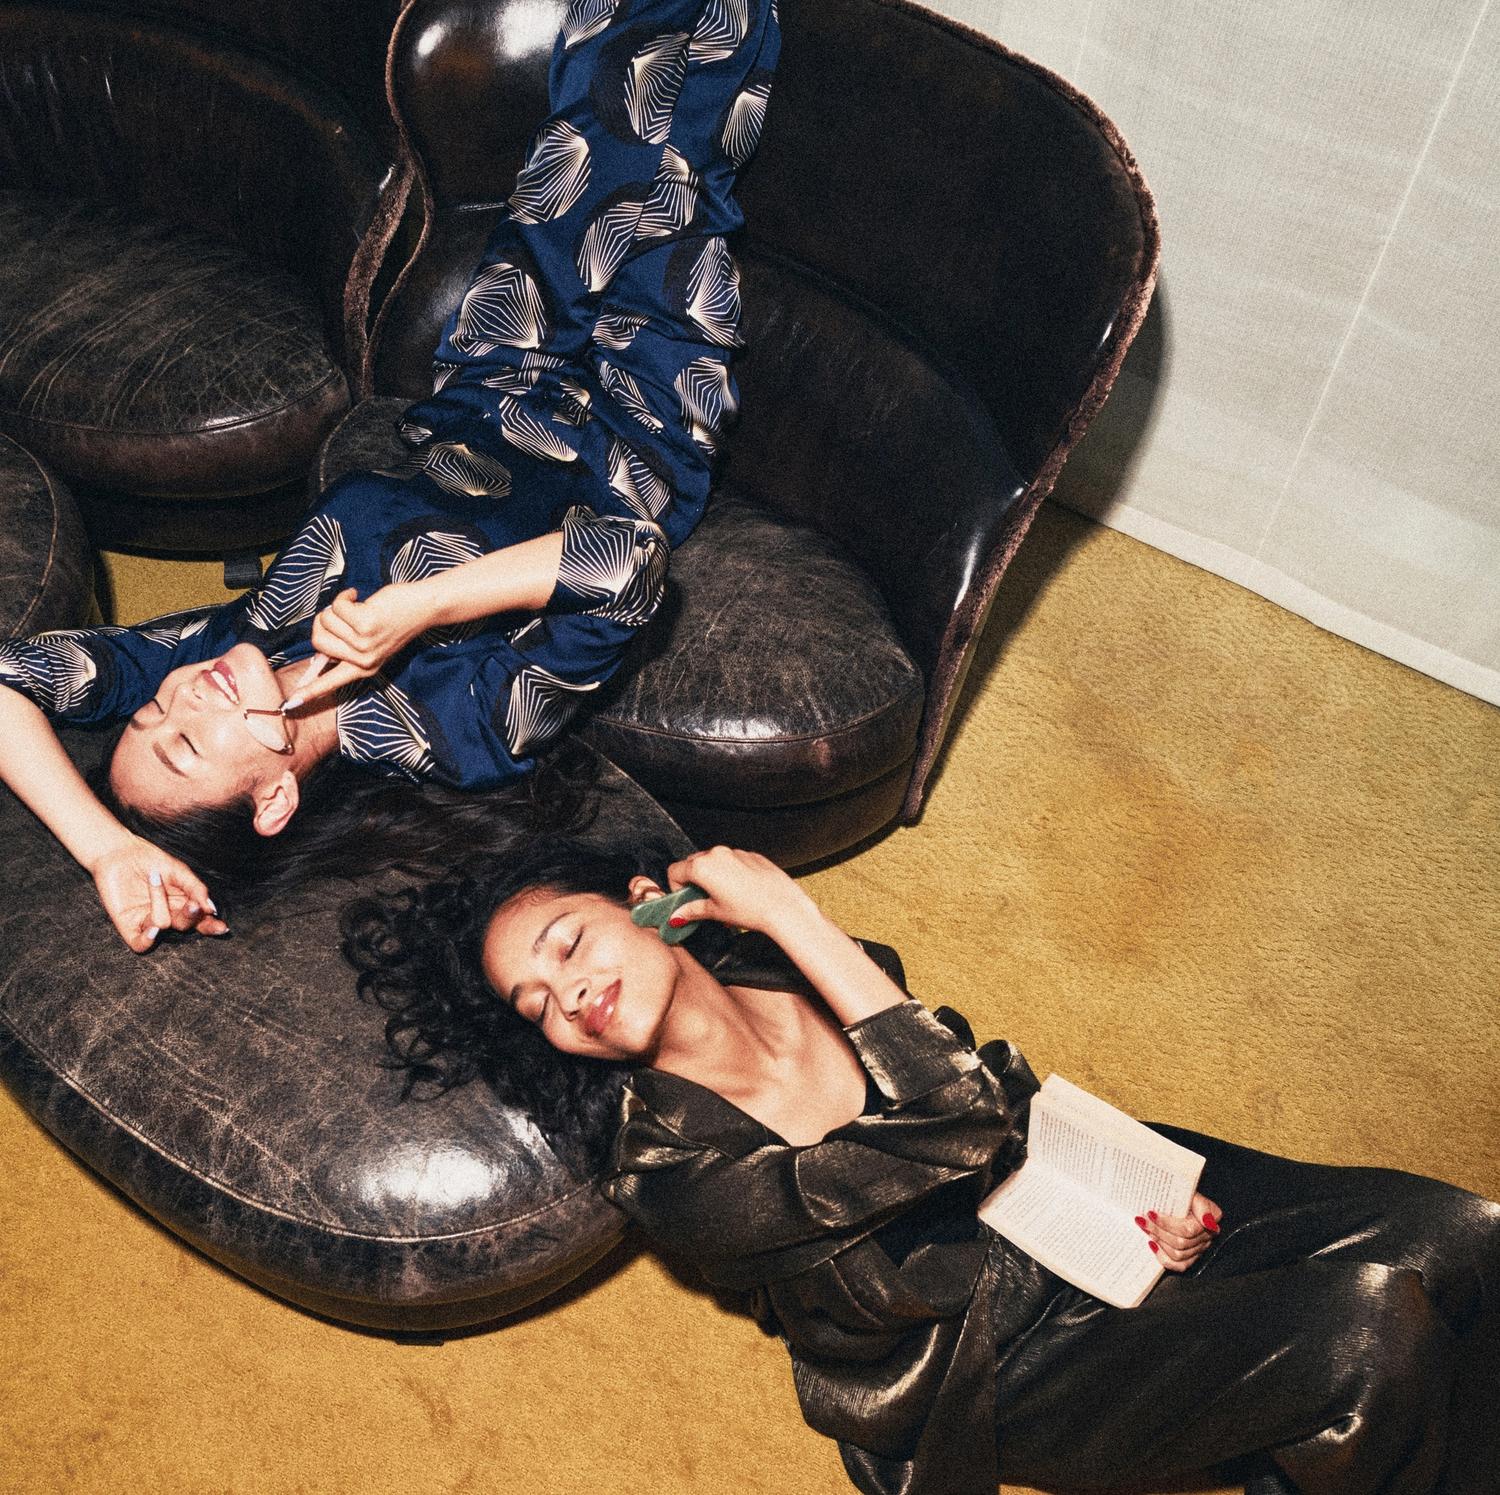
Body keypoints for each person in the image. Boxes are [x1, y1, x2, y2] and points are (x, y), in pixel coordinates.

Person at [343, 839, 1500, 1495]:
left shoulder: (808, 974)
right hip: (989, 1355)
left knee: (1460, 1234)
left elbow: (1004, 1101)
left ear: (654, 908)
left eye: (568, 942)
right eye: (536, 1004)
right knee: (1371, 1336)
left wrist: (1135, 1193)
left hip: (1059, 1206)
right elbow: (955, 1118)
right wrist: (790, 910)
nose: (569, 994)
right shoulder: (673, 1177)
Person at [0, 0, 781, 948]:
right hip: (637, 432)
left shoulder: (226, 643)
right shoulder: (449, 733)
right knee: (677, 161)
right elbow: (627, 564)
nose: (180, 697)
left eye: (150, 712)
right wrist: (420, 608)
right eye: (187, 740)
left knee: (584, 121)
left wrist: (107, 851)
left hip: (498, 379)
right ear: (275, 797)